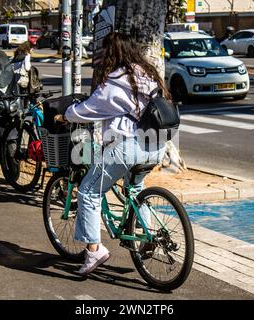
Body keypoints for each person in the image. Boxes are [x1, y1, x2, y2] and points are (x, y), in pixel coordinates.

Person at [55, 32, 171, 276]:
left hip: (127, 147)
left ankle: (94, 250)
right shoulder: (148, 74)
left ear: (111, 53)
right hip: (156, 144)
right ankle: (145, 235)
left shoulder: (114, 83)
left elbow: (88, 110)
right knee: (135, 189)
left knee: (88, 191)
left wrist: (64, 115)